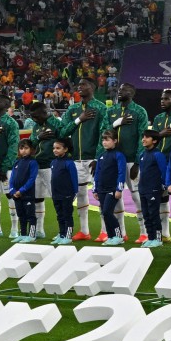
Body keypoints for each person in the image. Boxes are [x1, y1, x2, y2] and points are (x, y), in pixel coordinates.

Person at [62, 83, 107, 241]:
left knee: (101, 194)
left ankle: (104, 231)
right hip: (76, 158)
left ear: (91, 87)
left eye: (84, 85)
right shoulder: (72, 109)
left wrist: (97, 157)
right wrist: (78, 120)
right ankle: (84, 231)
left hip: (94, 159)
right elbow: (62, 131)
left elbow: (105, 133)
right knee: (80, 193)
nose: (79, 87)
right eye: (78, 85)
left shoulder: (101, 108)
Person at [0, 94, 22, 238]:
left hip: (5, 168)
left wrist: (5, 166)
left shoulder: (10, 123)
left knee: (10, 195)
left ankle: (15, 228)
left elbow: (14, 146)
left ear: (7, 105)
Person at [93, 130, 129, 245]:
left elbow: (121, 173)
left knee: (107, 212)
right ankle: (110, 236)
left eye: (107, 140)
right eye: (103, 140)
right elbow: (97, 173)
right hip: (101, 189)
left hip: (112, 189)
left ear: (115, 141)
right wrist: (95, 189)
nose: (104, 142)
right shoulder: (102, 156)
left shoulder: (119, 155)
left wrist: (119, 189)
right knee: (104, 213)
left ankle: (118, 236)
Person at [135, 131, 167, 246]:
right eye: (143, 137)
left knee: (154, 214)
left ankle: (158, 240)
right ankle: (151, 237)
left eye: (147, 137)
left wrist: (163, 187)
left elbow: (164, 172)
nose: (143, 139)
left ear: (154, 141)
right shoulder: (142, 155)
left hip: (154, 189)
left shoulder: (158, 155)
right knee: (146, 215)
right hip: (143, 189)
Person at [9, 138, 43, 243]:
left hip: (27, 194)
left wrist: (22, 190)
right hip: (16, 194)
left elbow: (32, 179)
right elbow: (12, 178)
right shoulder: (17, 162)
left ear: (32, 150)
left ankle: (32, 235)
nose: (23, 150)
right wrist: (12, 190)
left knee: (30, 215)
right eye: (21, 148)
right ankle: (23, 234)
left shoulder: (32, 162)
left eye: (26, 148)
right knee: (21, 215)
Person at [48, 137, 80, 244]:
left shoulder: (69, 163)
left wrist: (75, 191)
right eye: (54, 148)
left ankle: (68, 235)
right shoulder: (53, 162)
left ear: (65, 149)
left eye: (58, 148)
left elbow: (74, 178)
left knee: (67, 215)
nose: (55, 150)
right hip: (56, 194)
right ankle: (61, 234)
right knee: (59, 215)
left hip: (66, 194)